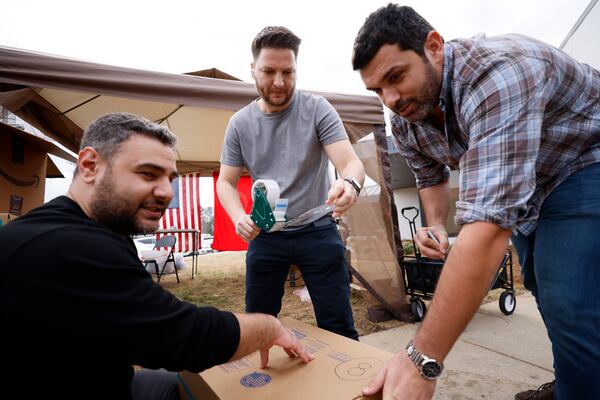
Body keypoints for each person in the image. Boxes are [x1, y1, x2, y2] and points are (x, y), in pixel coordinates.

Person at [352, 4, 600, 400]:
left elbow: (485, 233)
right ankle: (574, 379)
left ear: (434, 46)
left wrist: (421, 359)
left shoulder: (498, 75)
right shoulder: (404, 117)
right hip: (531, 183)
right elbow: (430, 174)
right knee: (540, 283)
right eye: (377, 89)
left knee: (568, 293)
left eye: (396, 77)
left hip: (584, 160)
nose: (390, 99)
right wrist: (434, 224)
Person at [0, 113, 313, 400]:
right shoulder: (72, 245)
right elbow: (184, 338)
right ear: (89, 166)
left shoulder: (87, 230)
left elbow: (140, 324)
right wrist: (269, 326)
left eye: (170, 179)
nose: (166, 192)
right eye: (148, 174)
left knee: (168, 381)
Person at [217, 26, 365, 341]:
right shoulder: (240, 123)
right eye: (269, 71)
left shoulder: (317, 109)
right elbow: (226, 183)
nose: (280, 82)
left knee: (338, 324)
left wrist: (350, 183)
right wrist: (238, 217)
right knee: (258, 323)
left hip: (318, 228)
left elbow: (350, 163)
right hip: (265, 233)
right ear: (253, 70)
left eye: (288, 71)